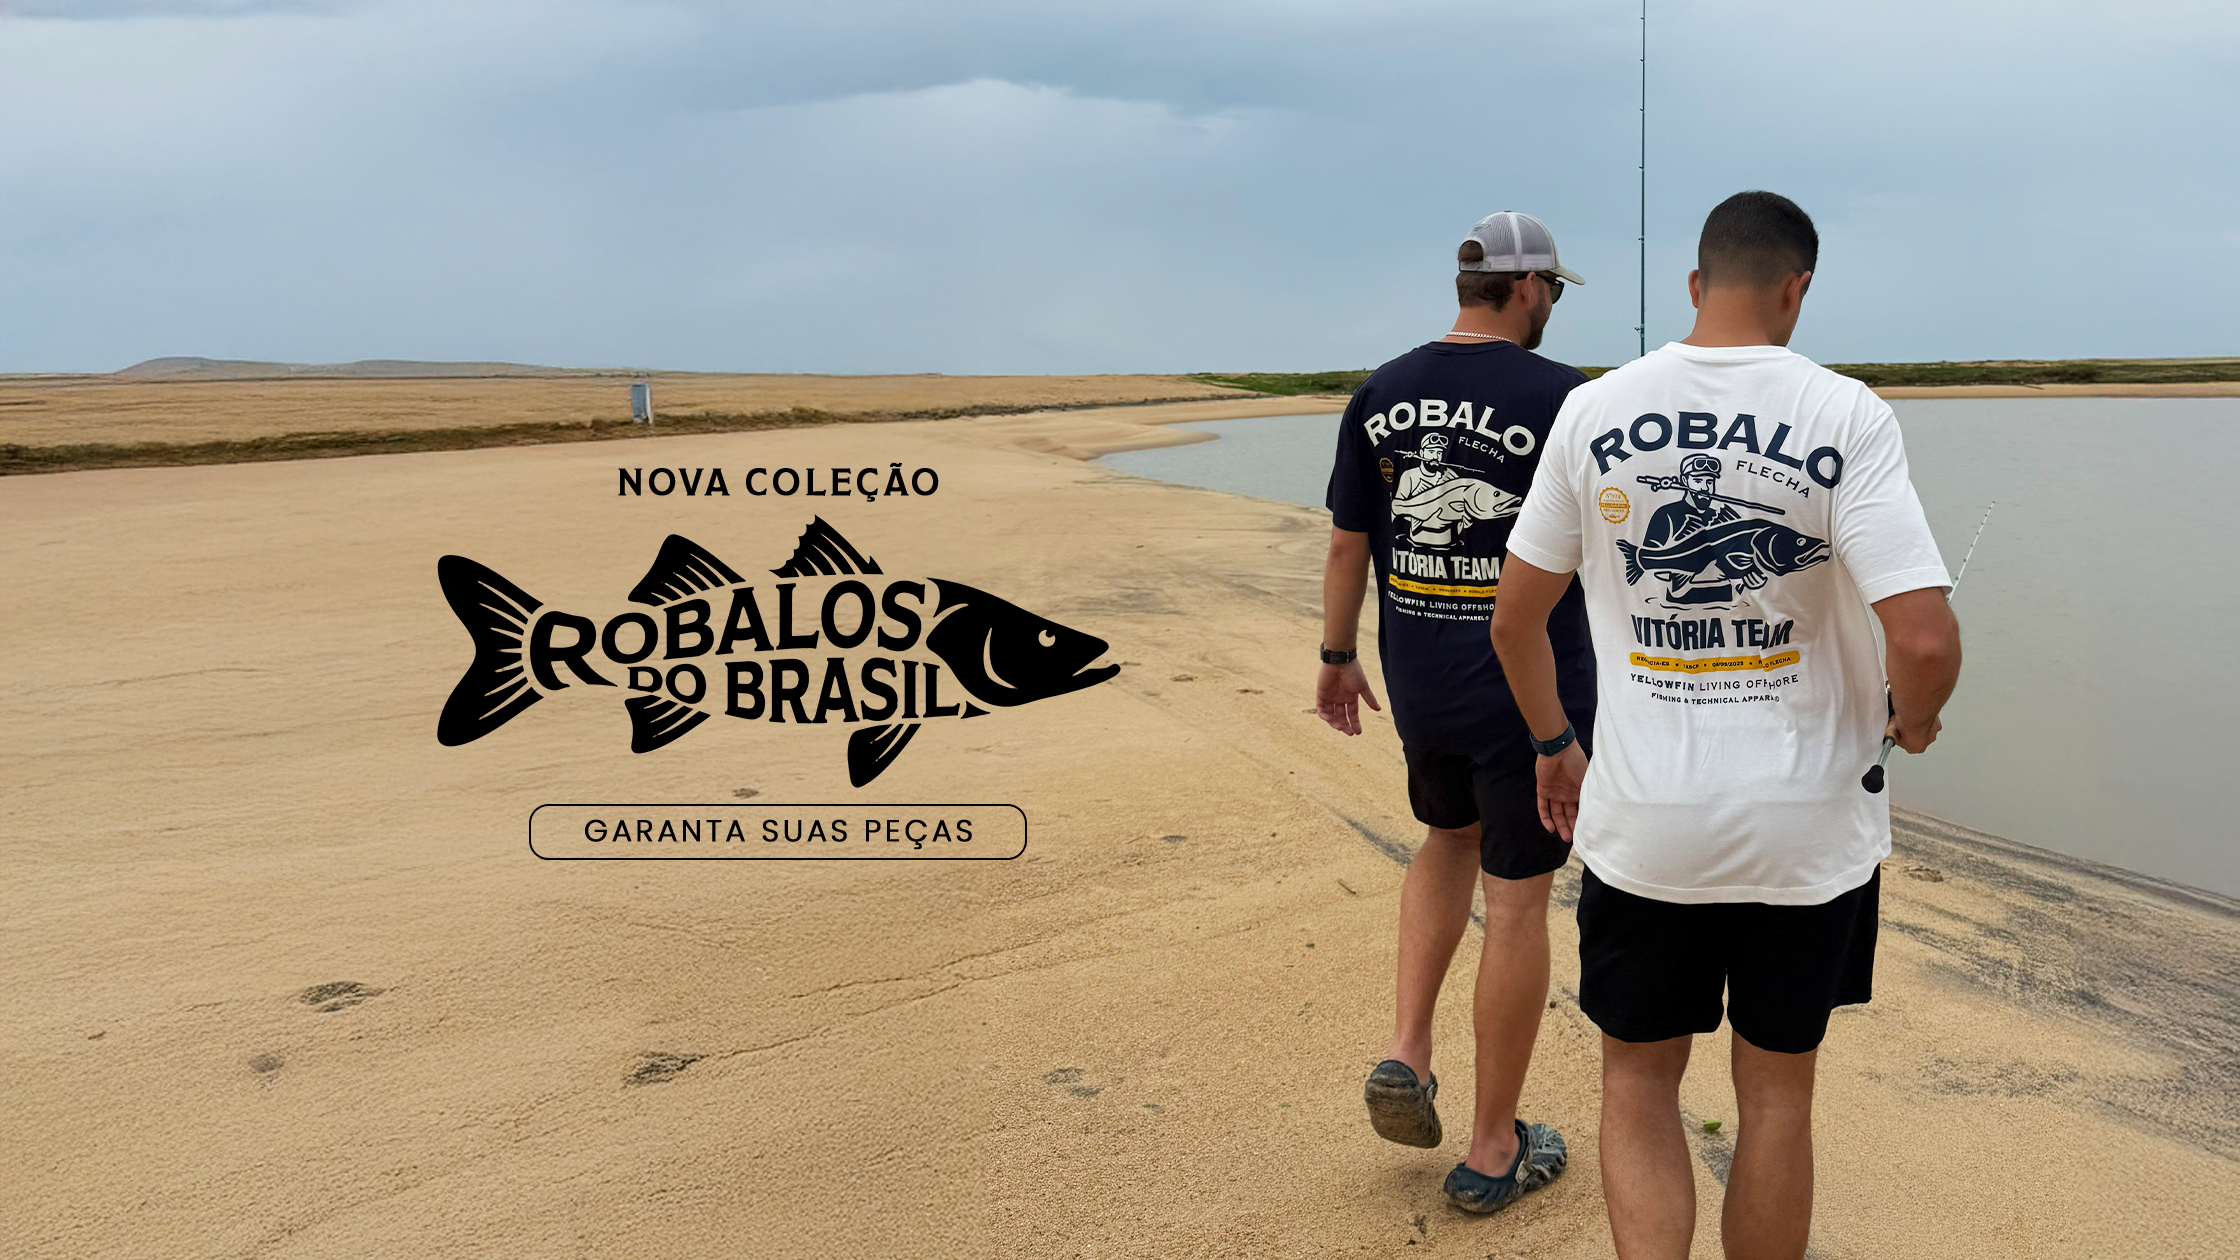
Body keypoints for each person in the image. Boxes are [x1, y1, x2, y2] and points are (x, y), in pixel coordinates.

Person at [1489, 191, 1963, 1259]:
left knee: (1637, 1083)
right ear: (1797, 289)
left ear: (1696, 284)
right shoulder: (1846, 414)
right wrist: (1916, 718)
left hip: (1646, 824)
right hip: (1809, 833)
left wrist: (1555, 745)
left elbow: (1514, 621)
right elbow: (1926, 643)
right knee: (1776, 1098)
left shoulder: (1592, 410)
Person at [1318, 210, 1598, 1213]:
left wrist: (1336, 656)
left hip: (1422, 682)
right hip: (1529, 699)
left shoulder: (1381, 391)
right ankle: (1490, 1148)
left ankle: (1407, 1049)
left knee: (1444, 841)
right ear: (1525, 287)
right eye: (1552, 288)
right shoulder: (1564, 398)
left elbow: (1348, 540)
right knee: (1516, 903)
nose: (1551, 303)